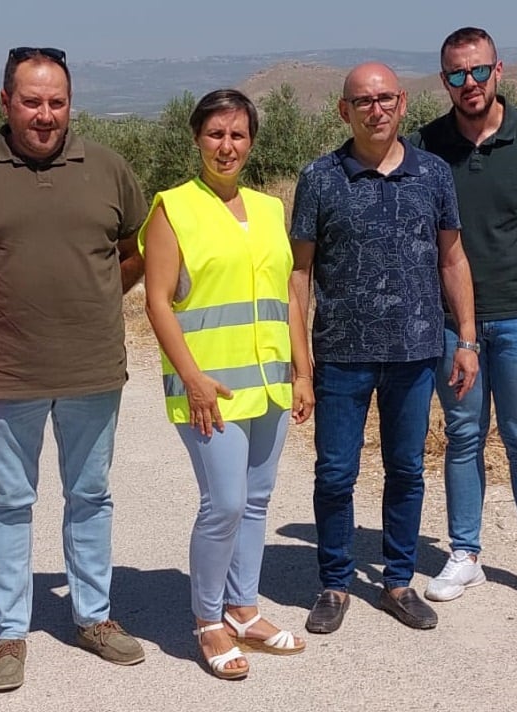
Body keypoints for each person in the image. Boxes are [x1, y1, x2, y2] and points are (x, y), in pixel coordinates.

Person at [0, 47, 147, 692]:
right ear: (6, 102)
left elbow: (134, 251)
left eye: (57, 102)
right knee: (9, 502)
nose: (45, 115)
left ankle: (93, 617)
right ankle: (8, 633)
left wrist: (100, 294)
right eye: (32, 101)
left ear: (70, 102)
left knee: (90, 497)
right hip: (2, 373)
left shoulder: (107, 167)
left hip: (92, 369)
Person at [290, 62, 478, 633]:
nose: (376, 109)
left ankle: (397, 581)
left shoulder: (433, 174)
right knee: (335, 473)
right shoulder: (320, 178)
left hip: (415, 351)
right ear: (344, 110)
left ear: (401, 104)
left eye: (386, 99)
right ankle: (334, 583)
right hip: (341, 355)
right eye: (363, 101)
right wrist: (301, 365)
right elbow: (299, 275)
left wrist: (466, 340)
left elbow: (452, 258)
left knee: (406, 470)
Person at [139, 89, 312, 680]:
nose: (227, 146)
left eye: (237, 135)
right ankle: (208, 621)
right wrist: (191, 378)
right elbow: (156, 302)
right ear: (197, 139)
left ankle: (243, 609)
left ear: (252, 142)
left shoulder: (268, 209)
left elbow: (286, 294)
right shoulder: (173, 208)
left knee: (257, 501)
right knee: (226, 504)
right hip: (209, 388)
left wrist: (303, 369)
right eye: (216, 134)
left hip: (270, 383)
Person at [411, 27, 517, 612]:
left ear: (498, 70)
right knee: (462, 437)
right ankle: (465, 554)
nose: (469, 84)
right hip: (449, 322)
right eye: (457, 75)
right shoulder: (425, 146)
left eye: (478, 71)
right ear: (445, 82)